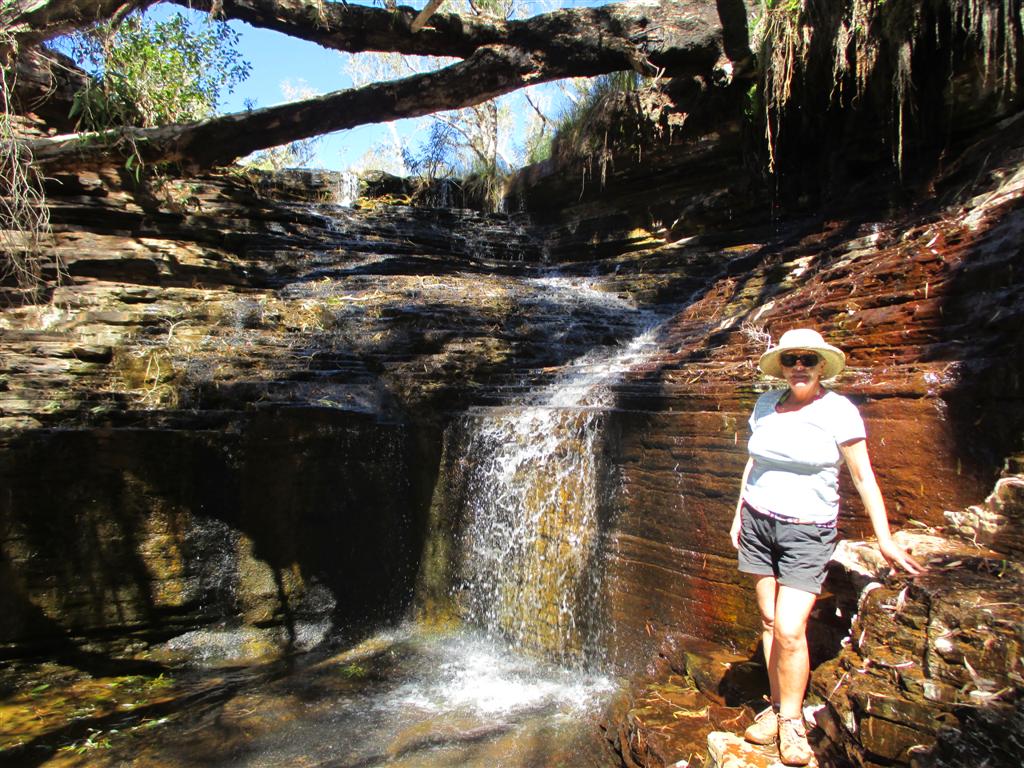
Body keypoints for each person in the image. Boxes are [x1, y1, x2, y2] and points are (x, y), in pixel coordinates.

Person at [729, 328, 925, 766]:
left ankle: (792, 721)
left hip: (808, 531)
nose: (799, 366)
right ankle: (776, 707)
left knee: (789, 628)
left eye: (808, 359)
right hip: (758, 523)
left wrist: (884, 539)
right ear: (781, 366)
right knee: (768, 621)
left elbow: (863, 476)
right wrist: (738, 513)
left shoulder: (839, 411)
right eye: (791, 359)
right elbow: (753, 462)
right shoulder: (766, 404)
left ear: (821, 366)